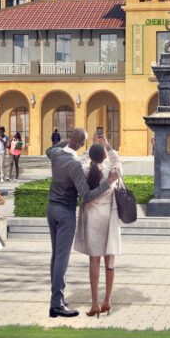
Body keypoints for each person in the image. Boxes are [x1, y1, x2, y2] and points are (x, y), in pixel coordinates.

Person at [46, 128, 119, 318]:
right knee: (63, 258)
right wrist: (108, 182)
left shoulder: (56, 155)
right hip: (67, 214)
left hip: (52, 209)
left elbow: (49, 150)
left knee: (57, 256)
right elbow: (86, 195)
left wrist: (68, 142)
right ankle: (57, 305)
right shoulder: (75, 166)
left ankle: (59, 298)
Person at [74, 141, 124, 316]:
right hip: (109, 220)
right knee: (110, 262)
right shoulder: (114, 172)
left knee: (94, 261)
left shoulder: (85, 172)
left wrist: (89, 147)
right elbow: (117, 160)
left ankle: (95, 303)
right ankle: (107, 301)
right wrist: (108, 146)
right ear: (104, 156)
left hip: (92, 220)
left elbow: (82, 161)